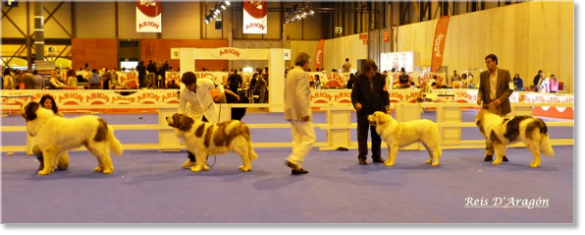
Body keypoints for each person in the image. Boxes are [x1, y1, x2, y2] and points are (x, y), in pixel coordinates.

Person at [177, 72, 220, 169]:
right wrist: (180, 120)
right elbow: (181, 108)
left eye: (190, 85)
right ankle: (192, 160)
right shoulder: (184, 93)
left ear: (195, 82)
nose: (188, 87)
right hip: (195, 115)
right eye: (186, 85)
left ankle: (203, 162)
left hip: (210, 112)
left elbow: (215, 85)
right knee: (190, 138)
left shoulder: (205, 83)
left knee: (207, 139)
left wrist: (220, 93)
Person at [351, 59, 389, 165]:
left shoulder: (381, 78)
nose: (370, 74)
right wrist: (356, 104)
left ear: (375, 70)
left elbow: (384, 94)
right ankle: (362, 157)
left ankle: (376, 156)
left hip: (377, 113)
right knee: (362, 135)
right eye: (368, 72)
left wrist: (387, 108)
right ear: (365, 71)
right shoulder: (358, 79)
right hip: (363, 112)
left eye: (372, 72)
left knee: (376, 135)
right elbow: (354, 96)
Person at [476, 54, 513, 162]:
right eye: (486, 62)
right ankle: (489, 153)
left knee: (502, 131)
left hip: (501, 106)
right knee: (488, 131)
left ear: (495, 62)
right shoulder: (483, 75)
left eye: (488, 62)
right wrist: (479, 97)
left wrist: (500, 100)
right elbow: (481, 89)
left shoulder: (506, 73)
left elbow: (510, 89)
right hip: (488, 107)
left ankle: (502, 153)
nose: (487, 64)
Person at [284, 52, 315, 175]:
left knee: (297, 139)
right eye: (308, 62)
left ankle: (296, 166)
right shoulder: (301, 74)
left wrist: (287, 108)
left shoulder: (291, 73)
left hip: (291, 111)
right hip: (300, 112)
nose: (308, 65)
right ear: (305, 62)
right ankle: (294, 159)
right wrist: (305, 112)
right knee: (310, 137)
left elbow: (286, 92)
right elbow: (300, 94)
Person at [32, 95, 68, 171]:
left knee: (63, 166)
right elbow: (33, 131)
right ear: (42, 104)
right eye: (46, 103)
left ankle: (56, 159)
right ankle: (43, 162)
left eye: (50, 103)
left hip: (58, 145)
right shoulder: (38, 116)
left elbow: (65, 130)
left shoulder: (59, 115)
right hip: (44, 144)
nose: (49, 104)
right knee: (36, 149)